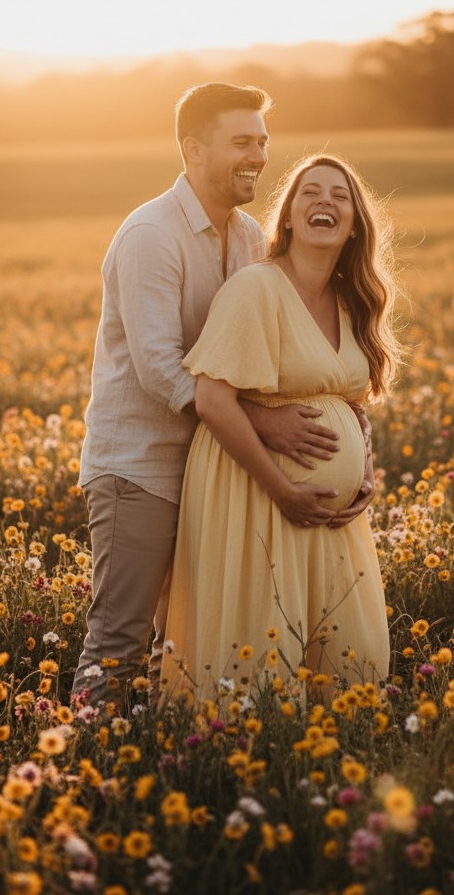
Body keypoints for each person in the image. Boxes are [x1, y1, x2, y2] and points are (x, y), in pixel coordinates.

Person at [74, 85, 373, 706]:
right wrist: (262, 421)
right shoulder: (151, 234)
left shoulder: (245, 237)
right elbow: (161, 369)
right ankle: (91, 770)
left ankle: (159, 764)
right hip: (142, 466)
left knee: (179, 640)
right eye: (242, 141)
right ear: (193, 150)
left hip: (214, 470)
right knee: (120, 640)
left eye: (262, 142)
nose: (259, 156)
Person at [160, 154, 401, 703]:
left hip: (327, 517)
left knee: (348, 657)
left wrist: (362, 464)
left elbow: (351, 403)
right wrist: (283, 489)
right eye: (309, 193)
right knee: (260, 654)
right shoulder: (256, 289)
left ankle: (328, 765)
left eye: (340, 196)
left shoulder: (353, 300)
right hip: (254, 495)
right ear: (288, 217)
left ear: (356, 222)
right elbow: (213, 401)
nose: (325, 203)